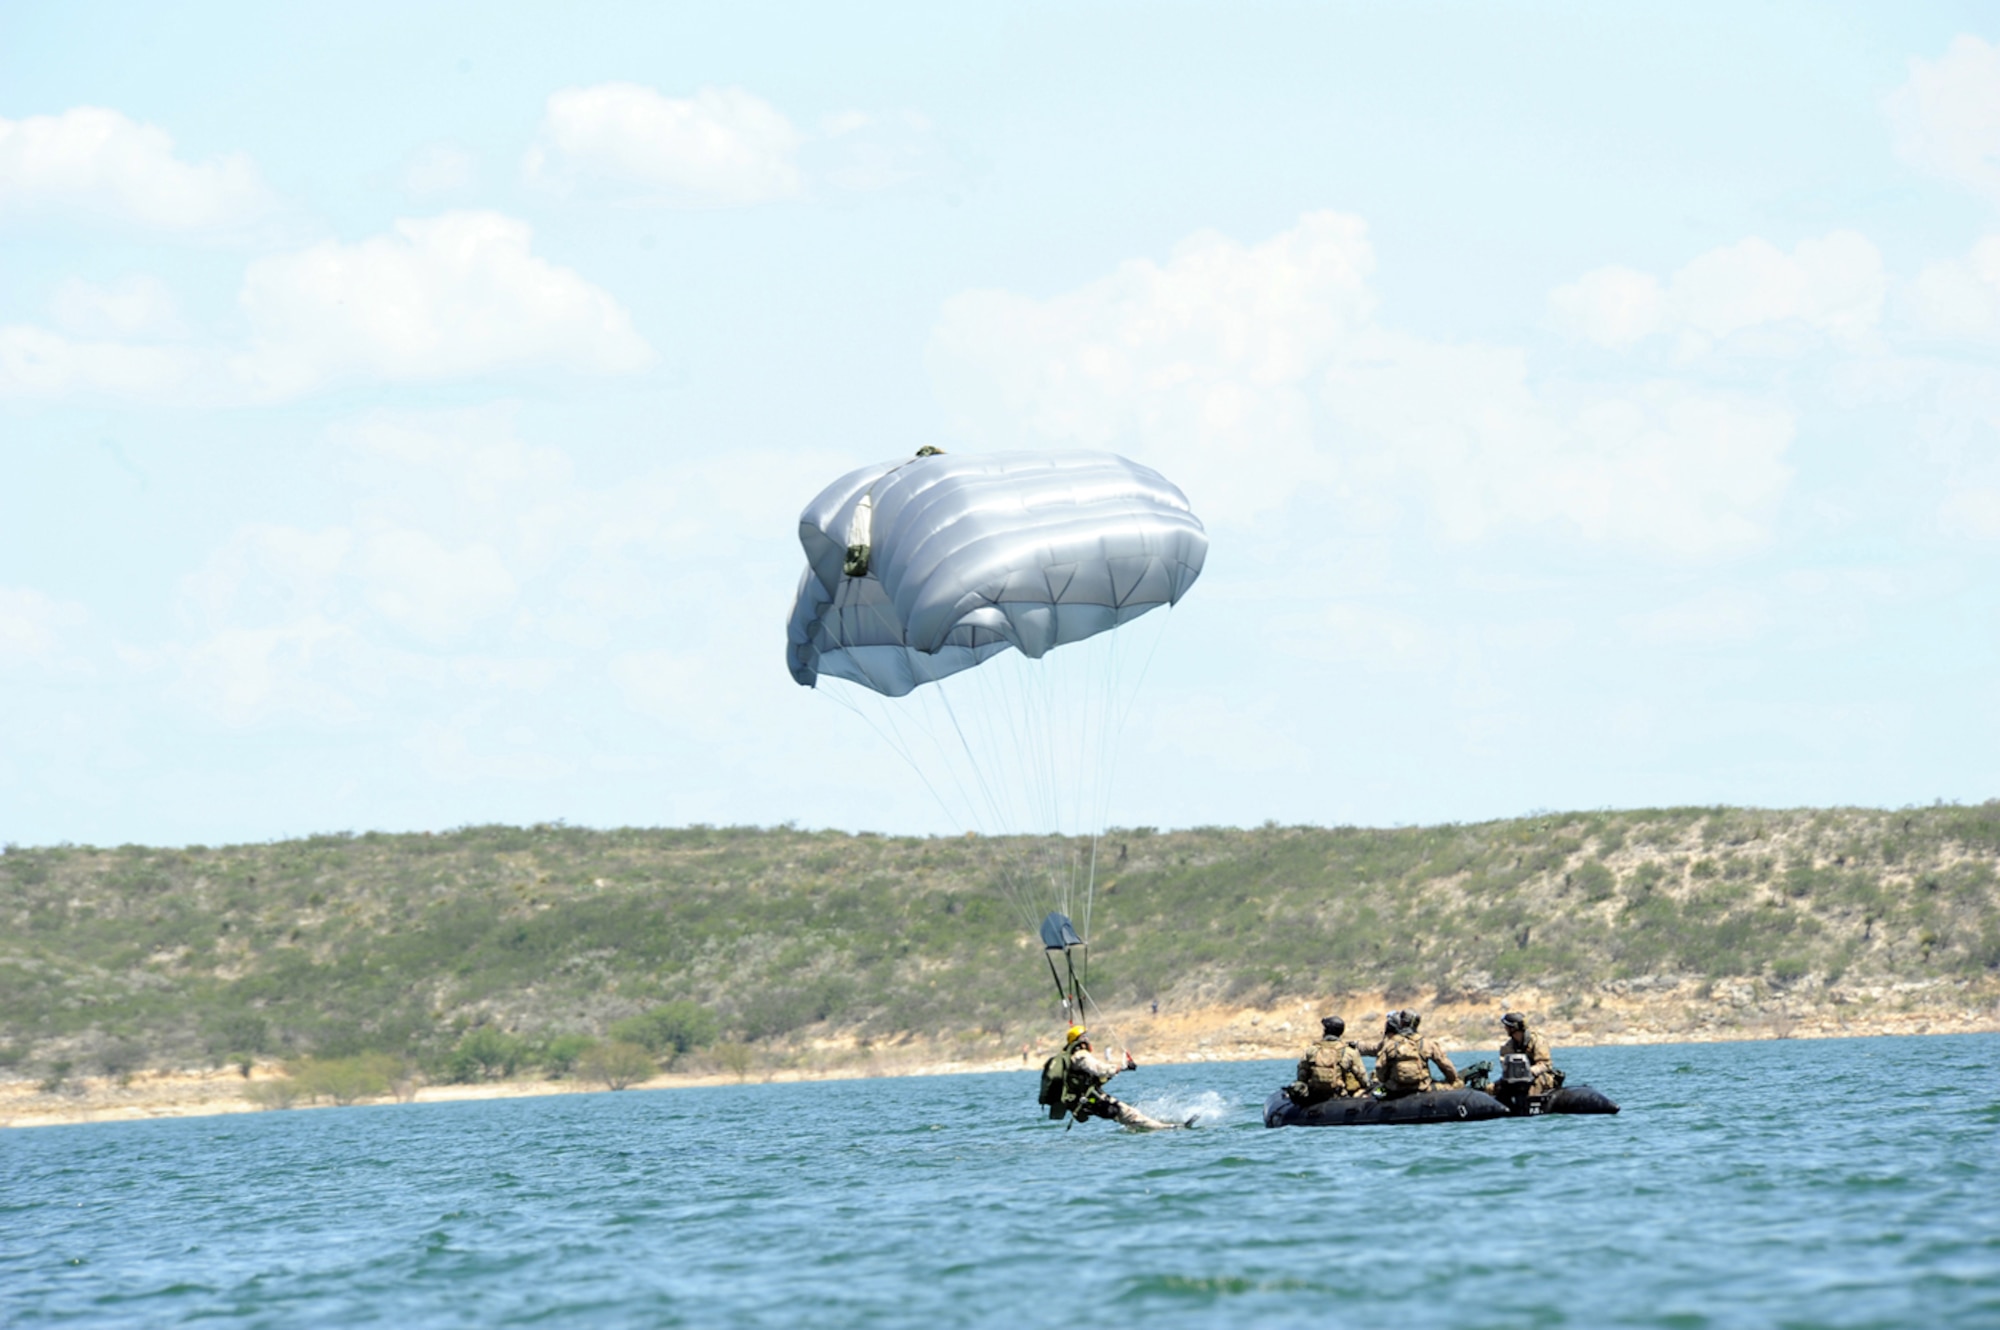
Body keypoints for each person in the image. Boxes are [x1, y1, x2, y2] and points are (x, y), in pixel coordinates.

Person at [1042, 1025, 1180, 1130]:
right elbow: (1100, 1070)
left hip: (1084, 1100)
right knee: (1126, 1112)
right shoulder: (1081, 1056)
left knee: (1122, 1114)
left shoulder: (1071, 1057)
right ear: (1080, 1039)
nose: (1088, 1039)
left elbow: (1095, 1078)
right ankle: (1165, 1128)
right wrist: (1122, 1066)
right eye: (1085, 1036)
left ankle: (1146, 1126)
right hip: (1089, 1099)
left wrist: (1119, 1070)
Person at [1371, 1009, 1462, 1097]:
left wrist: (1387, 1081)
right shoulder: (1426, 1043)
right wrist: (1453, 1080)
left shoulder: (1389, 1044)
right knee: (1456, 1084)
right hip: (1422, 1088)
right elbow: (1446, 1066)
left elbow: (1380, 1070)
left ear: (1401, 1023)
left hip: (1395, 1089)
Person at [1287, 1015, 1370, 1104]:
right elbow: (1363, 1078)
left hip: (1315, 1096)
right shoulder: (1349, 1052)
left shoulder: (1311, 1050)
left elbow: (1301, 1076)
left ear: (1325, 1031)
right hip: (1340, 1096)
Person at [1498, 1012, 1559, 1095]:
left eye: (1506, 1026)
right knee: (1494, 1087)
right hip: (1514, 1079)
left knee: (1532, 1088)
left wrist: (1527, 1071)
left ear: (1513, 1028)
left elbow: (1545, 1065)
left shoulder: (1538, 1041)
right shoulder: (1509, 1046)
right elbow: (1505, 1064)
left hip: (1539, 1077)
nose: (1505, 1028)